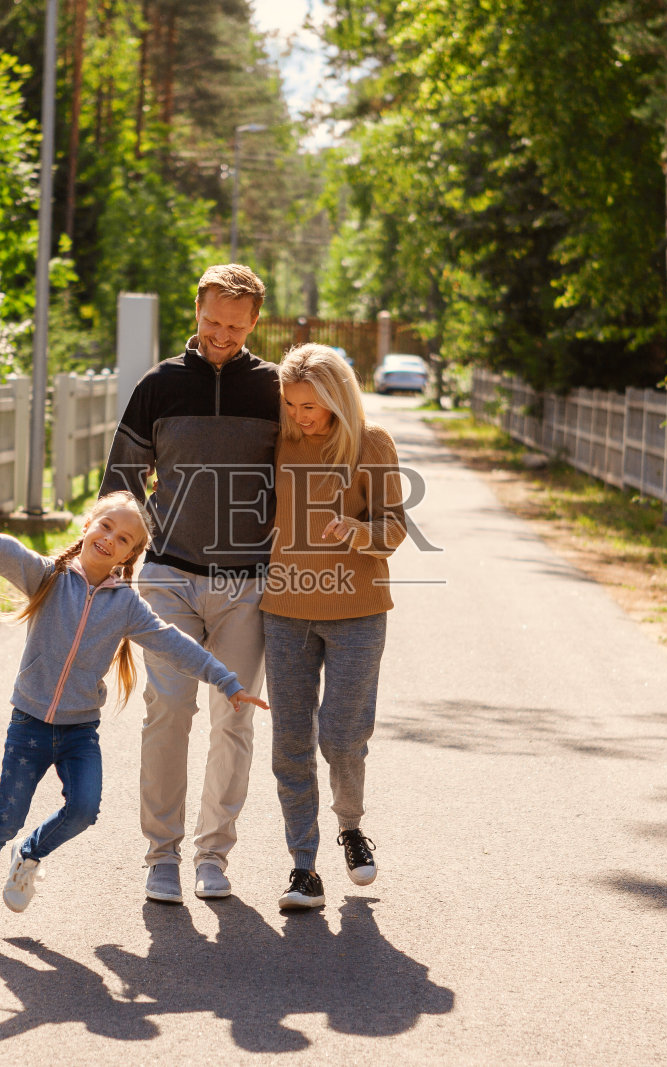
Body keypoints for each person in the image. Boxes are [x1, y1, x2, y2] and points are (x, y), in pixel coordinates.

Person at [0, 493, 268, 940]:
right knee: (5, 818)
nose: (111, 538)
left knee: (84, 810)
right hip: (29, 725)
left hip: (78, 731)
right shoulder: (49, 578)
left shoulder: (126, 606)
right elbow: (9, 554)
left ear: (131, 555)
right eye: (106, 526)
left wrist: (227, 681)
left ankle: (30, 855)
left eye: (124, 538)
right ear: (88, 526)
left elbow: (174, 643)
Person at [99, 264, 280, 904]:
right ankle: (161, 857)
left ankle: (214, 856)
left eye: (235, 326)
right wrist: (108, 574)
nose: (221, 336)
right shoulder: (159, 386)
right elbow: (121, 483)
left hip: (246, 586)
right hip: (170, 578)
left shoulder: (272, 391)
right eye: (211, 322)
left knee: (235, 718)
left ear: (255, 322)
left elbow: (302, 472)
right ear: (195, 311)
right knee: (169, 712)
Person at [260, 344, 407, 910]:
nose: (300, 416)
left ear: (338, 397)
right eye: (292, 404)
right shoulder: (282, 442)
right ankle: (303, 867)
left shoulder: (372, 445)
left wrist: (357, 531)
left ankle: (351, 826)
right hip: (285, 611)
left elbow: (394, 529)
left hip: (358, 612)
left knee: (343, 738)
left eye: (312, 405)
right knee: (290, 744)